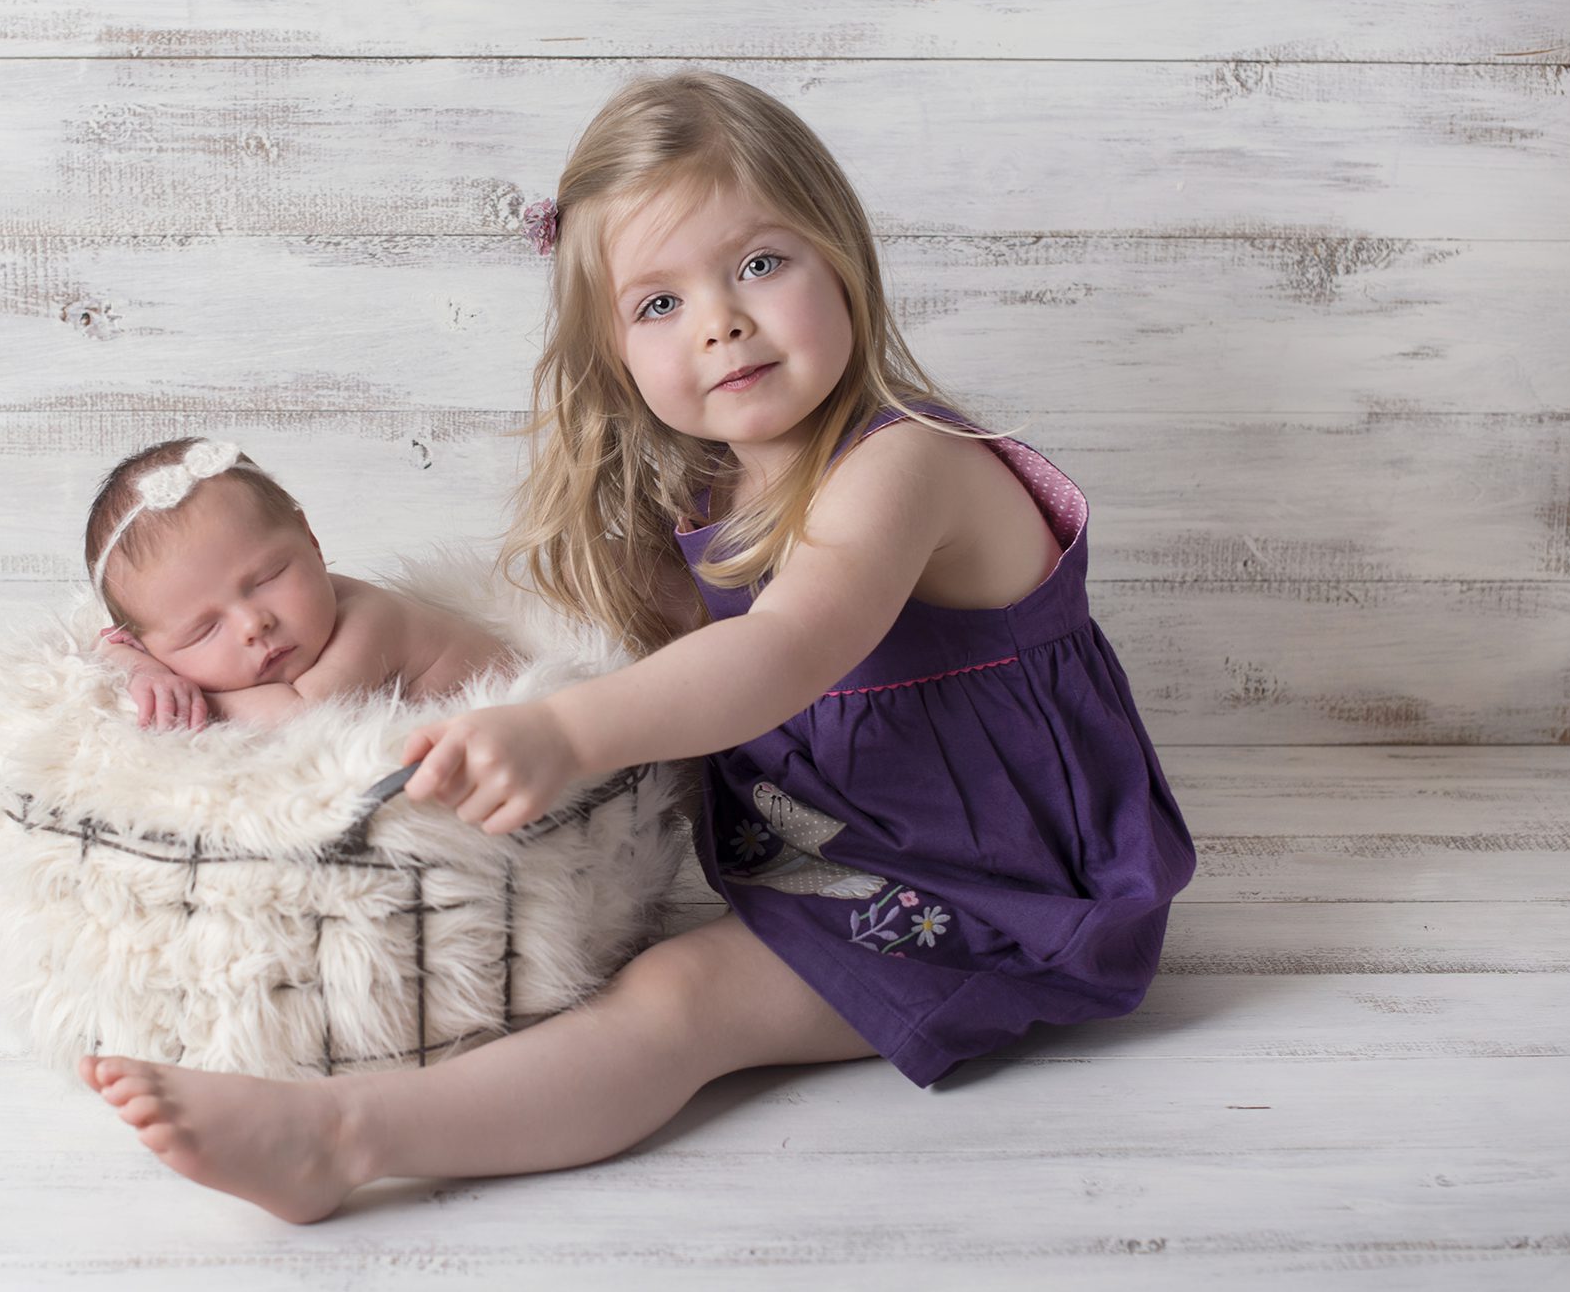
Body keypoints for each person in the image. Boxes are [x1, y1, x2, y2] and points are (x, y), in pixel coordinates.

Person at [78, 70, 1198, 1224]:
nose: (718, 320)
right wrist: (164, 657)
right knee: (614, 965)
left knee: (673, 1007)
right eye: (657, 304)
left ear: (844, 260)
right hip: (846, 855)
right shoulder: (716, 483)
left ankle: (343, 1139)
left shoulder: (905, 465)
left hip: (990, 887)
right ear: (614, 354)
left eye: (759, 263)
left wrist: (564, 730)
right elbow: (391, 638)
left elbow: (785, 653)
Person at [84, 436, 515, 729]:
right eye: (204, 629)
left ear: (310, 539)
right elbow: (110, 646)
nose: (253, 624)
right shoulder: (149, 643)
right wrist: (143, 669)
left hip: (530, 732)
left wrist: (193, 699)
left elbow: (302, 718)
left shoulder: (371, 620)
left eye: (269, 578)